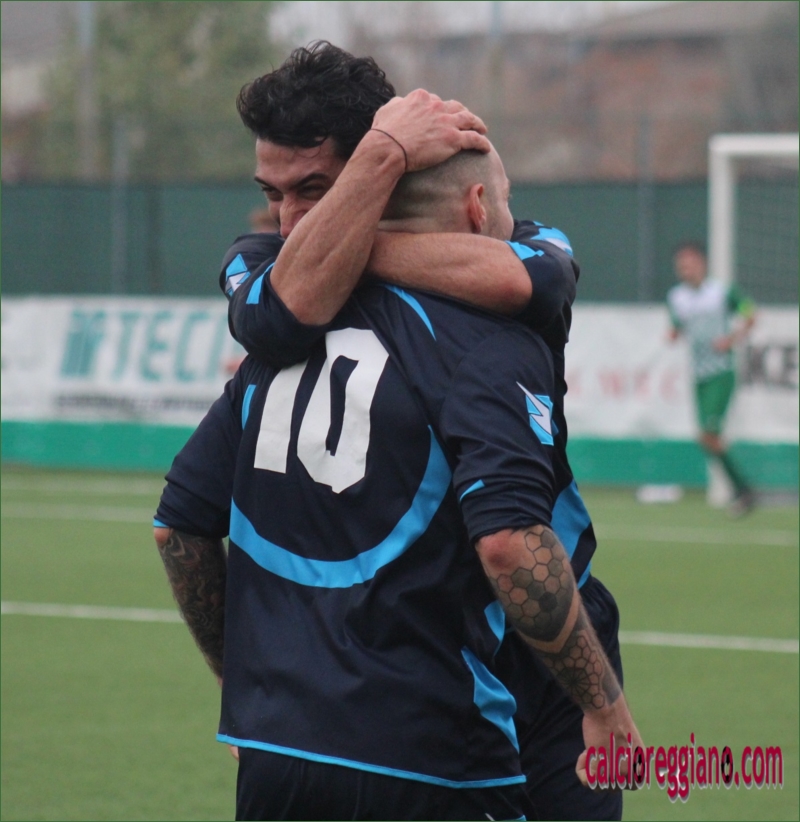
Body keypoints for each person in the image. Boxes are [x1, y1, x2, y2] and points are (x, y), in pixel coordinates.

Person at [158, 42, 632, 820]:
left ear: (379, 178)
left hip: (295, 735)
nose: (290, 221)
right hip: (443, 722)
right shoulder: (469, 333)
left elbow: (532, 274)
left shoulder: (291, 298)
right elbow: (509, 542)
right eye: (272, 195)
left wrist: (243, 688)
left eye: (315, 192)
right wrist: (606, 705)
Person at [667, 241, 757, 515]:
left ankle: (743, 489)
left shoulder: (721, 292)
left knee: (708, 435)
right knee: (706, 437)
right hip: (699, 375)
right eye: (681, 266)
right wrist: (672, 334)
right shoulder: (677, 297)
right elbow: (677, 326)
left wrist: (731, 339)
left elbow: (750, 313)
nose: (686, 270)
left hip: (721, 372)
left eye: (690, 264)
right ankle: (742, 489)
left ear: (702, 264)